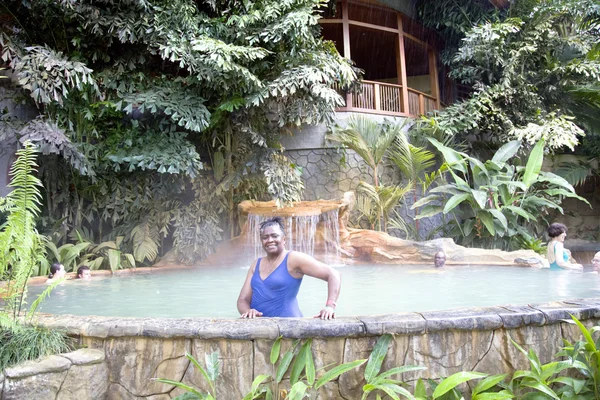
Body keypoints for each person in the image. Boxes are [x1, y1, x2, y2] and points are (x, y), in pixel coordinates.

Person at [237, 217, 341, 319]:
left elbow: (333, 274)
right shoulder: (256, 264)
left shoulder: (293, 259)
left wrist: (330, 307)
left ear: (284, 239)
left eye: (274, 236)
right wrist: (247, 311)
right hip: (259, 328)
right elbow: (243, 299)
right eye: (265, 237)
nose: (270, 240)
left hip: (290, 328)